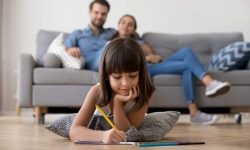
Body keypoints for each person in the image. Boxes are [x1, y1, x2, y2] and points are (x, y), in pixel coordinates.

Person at [111, 14, 231, 125]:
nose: (126, 26)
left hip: (154, 65)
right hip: (143, 67)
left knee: (186, 52)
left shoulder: (139, 42)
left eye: (130, 24)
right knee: (187, 66)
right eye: (123, 22)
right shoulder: (113, 43)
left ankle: (200, 103)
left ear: (133, 30)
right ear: (118, 25)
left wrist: (151, 55)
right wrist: (147, 58)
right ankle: (205, 91)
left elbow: (154, 56)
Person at [69, 37, 155, 143]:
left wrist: (117, 102)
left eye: (132, 75)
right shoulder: (97, 91)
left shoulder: (146, 92)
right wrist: (102, 136)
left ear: (140, 73)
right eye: (117, 77)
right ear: (106, 75)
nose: (125, 83)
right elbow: (74, 131)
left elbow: (128, 133)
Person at [64, 0, 116, 70]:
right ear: (90, 12)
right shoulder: (78, 33)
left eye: (103, 14)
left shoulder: (112, 32)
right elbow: (66, 48)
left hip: (112, 61)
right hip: (90, 63)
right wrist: (70, 49)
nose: (99, 17)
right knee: (110, 46)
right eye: (96, 12)